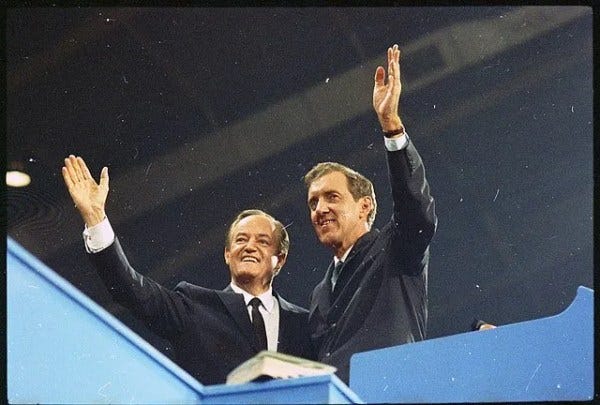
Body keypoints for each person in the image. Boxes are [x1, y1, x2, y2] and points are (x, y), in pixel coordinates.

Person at [61, 155, 315, 385]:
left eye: (262, 241)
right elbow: (132, 289)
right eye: (240, 240)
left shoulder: (305, 324)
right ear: (227, 254)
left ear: (279, 259)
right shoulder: (194, 306)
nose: (249, 247)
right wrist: (96, 219)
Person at [303, 44, 438, 383]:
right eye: (313, 202)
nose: (320, 209)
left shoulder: (395, 249)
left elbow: (417, 212)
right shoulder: (320, 293)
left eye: (332, 197)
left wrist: (391, 126)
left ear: (364, 206)